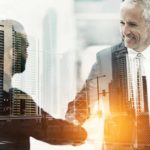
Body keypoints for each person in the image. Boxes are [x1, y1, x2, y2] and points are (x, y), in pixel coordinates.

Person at [66, 0, 150, 149]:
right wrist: (73, 123)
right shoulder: (106, 59)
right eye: (122, 23)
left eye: (132, 24)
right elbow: (83, 101)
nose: (125, 31)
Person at [0, 19, 87, 150]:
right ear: (12, 53)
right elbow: (50, 129)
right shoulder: (14, 101)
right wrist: (81, 133)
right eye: (25, 48)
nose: (27, 54)